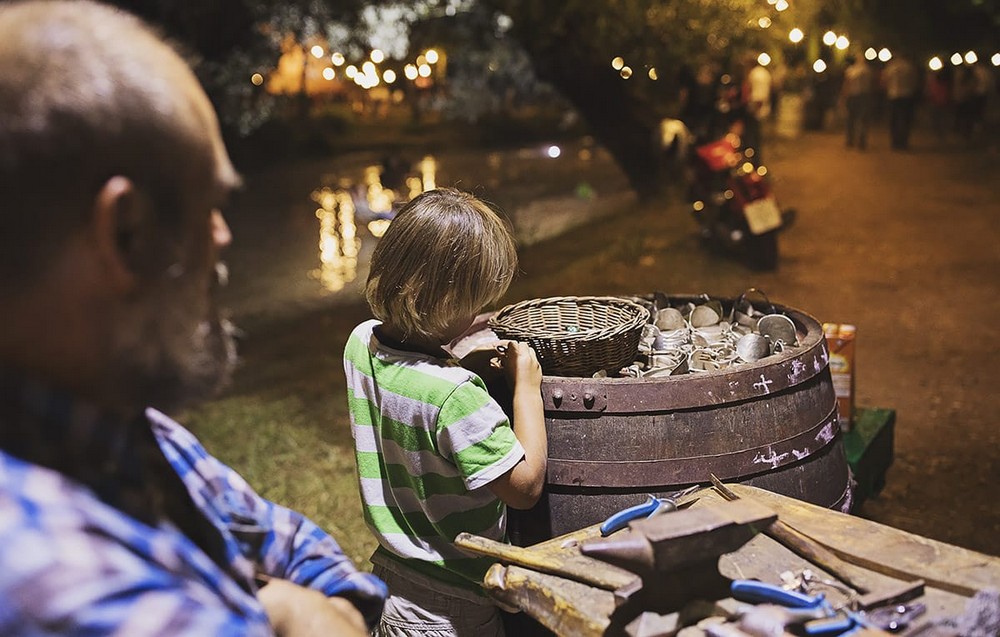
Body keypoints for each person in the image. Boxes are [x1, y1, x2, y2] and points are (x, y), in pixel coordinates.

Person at [0, 1, 386, 635]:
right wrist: (291, 607)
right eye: (211, 206)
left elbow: (292, 539)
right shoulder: (60, 591)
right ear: (127, 234)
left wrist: (290, 609)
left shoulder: (123, 424)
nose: (225, 236)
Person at [344, 188, 547, 636]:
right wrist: (527, 389)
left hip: (394, 585)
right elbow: (524, 487)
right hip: (454, 609)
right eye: (473, 305)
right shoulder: (455, 397)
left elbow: (410, 387)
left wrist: (454, 361)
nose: (478, 315)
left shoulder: (360, 342)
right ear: (446, 303)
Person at [883, 54, 920, 150]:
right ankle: (903, 141)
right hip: (906, 95)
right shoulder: (909, 67)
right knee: (905, 119)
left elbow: (885, 80)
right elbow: (914, 81)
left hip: (893, 95)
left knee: (894, 120)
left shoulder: (891, 67)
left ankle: (895, 142)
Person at [740, 54, 772, 162]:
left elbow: (759, 97)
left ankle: (754, 163)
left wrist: (752, 111)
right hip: (759, 111)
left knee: (753, 139)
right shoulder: (762, 73)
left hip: (756, 111)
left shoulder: (756, 74)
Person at [841, 54, 875, 149]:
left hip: (854, 95)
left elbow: (846, 84)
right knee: (862, 118)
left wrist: (844, 96)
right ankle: (860, 140)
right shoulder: (868, 70)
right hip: (863, 96)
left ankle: (851, 140)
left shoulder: (851, 70)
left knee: (851, 118)